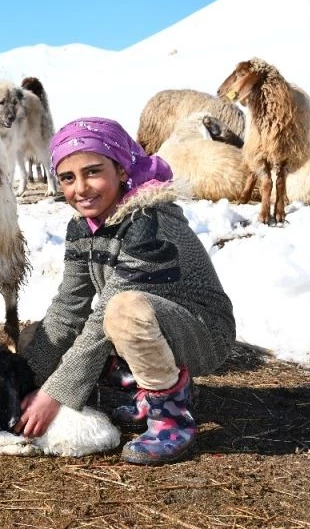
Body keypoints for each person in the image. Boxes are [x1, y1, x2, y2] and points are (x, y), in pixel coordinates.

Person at [15, 117, 235, 464]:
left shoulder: (148, 221)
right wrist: (25, 383)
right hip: (149, 323)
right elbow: (68, 308)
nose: (81, 188)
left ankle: (171, 416)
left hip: (201, 330)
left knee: (122, 311)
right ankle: (148, 387)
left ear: (121, 170)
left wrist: (53, 395)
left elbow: (104, 317)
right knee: (36, 337)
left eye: (93, 172)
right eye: (68, 178)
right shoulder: (83, 228)